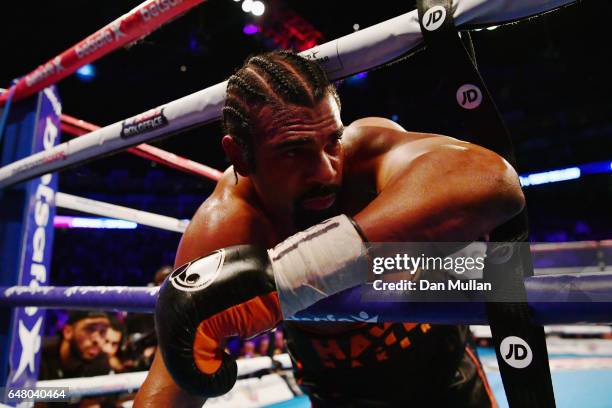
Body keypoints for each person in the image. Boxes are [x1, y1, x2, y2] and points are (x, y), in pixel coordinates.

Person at [135, 51, 523, 406]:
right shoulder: (229, 225)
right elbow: (170, 386)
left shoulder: (367, 154)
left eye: (332, 140)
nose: (327, 170)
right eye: (293, 150)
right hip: (339, 397)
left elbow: (494, 180)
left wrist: (288, 273)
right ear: (240, 155)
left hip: (449, 381)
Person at [39, 311, 111, 380]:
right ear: (68, 332)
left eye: (103, 331)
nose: (97, 340)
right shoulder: (40, 357)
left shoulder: (100, 362)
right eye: (90, 329)